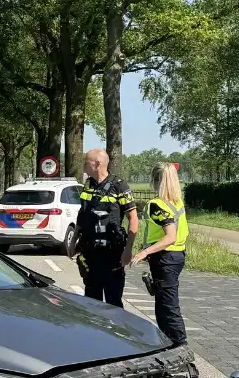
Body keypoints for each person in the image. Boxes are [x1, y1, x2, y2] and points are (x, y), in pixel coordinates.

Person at [127, 162, 189, 348]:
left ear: (155, 181)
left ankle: (179, 345)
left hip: (165, 258)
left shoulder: (156, 205)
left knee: (167, 306)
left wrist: (144, 252)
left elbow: (170, 236)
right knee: (164, 303)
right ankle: (170, 342)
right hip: (177, 256)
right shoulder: (176, 202)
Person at [71, 148, 138, 307]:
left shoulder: (119, 186)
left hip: (112, 255)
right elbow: (83, 213)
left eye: (86, 163)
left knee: (113, 303)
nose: (83, 167)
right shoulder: (88, 184)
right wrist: (74, 240)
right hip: (90, 254)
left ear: (97, 164)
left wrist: (129, 249)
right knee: (91, 303)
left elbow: (133, 218)